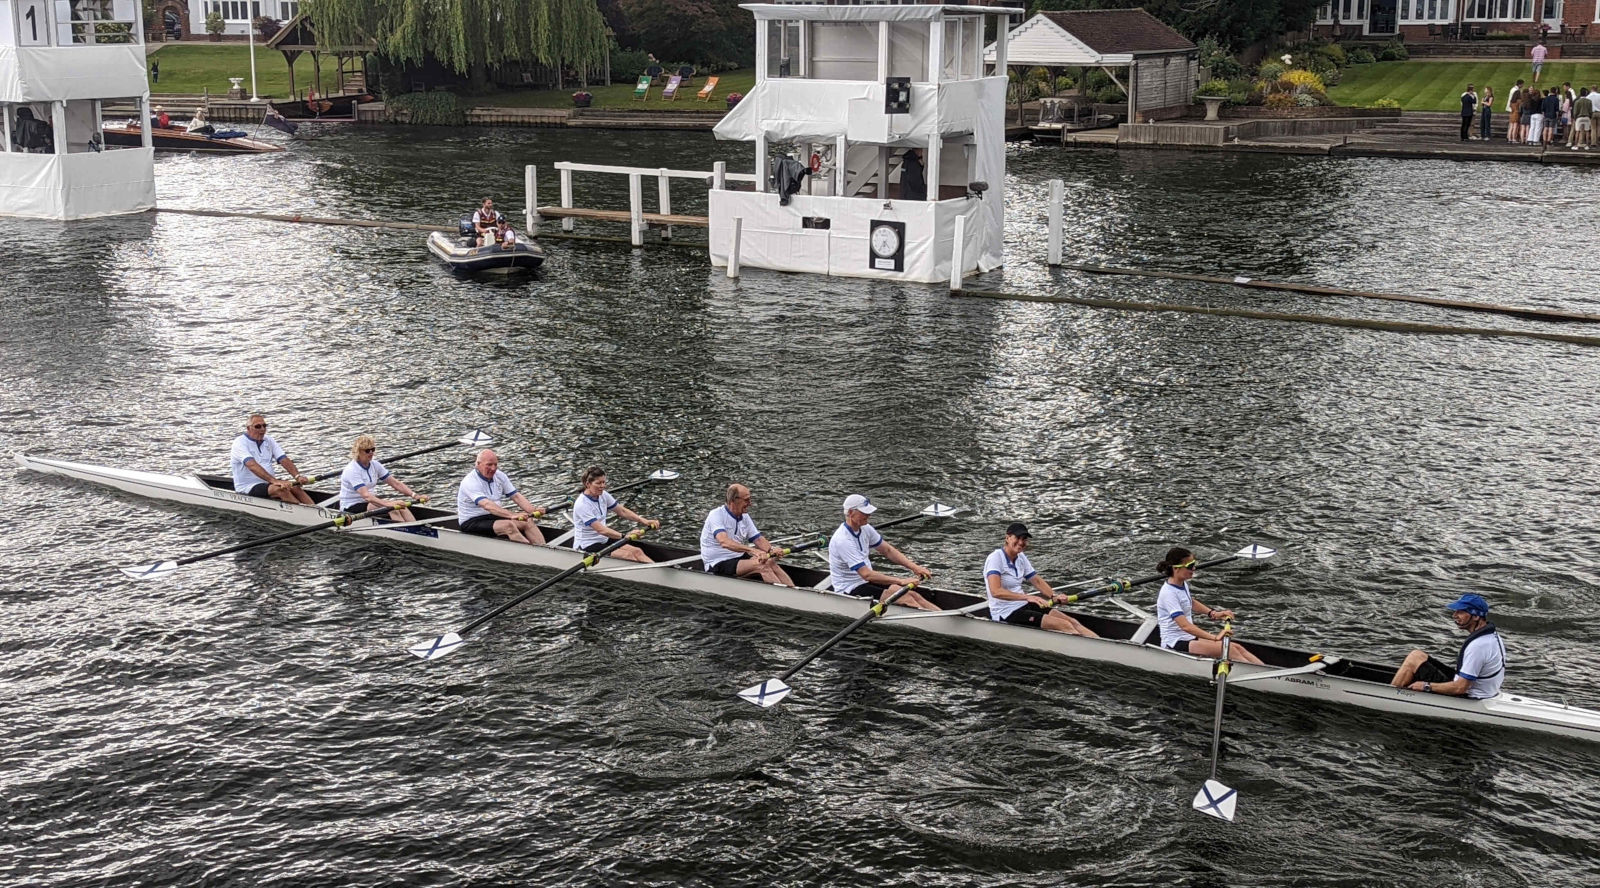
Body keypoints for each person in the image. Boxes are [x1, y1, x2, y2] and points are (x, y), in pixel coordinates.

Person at [826, 494, 940, 611]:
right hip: (849, 589)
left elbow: (888, 550)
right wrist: (901, 581)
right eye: (864, 513)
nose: (868, 515)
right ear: (850, 512)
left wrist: (915, 568)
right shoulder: (842, 540)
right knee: (906, 599)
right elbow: (866, 574)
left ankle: (945, 617)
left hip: (866, 581)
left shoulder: (865, 528)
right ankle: (937, 626)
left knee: (913, 595)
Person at [1153, 547, 1264, 665]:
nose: (1194, 569)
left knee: (1237, 647)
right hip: (1175, 643)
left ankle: (1268, 673)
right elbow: (1185, 626)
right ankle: (1264, 680)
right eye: (1190, 566)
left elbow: (1190, 602)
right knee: (1229, 650)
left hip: (1188, 637)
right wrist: (1215, 638)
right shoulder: (1168, 593)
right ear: (1176, 568)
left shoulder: (1182, 584)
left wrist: (1213, 613)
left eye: (1194, 564)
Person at [982, 523, 1097, 637]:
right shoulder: (995, 558)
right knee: (1064, 625)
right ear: (1007, 538)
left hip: (1023, 605)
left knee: (1072, 622)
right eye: (1017, 538)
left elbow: (1036, 580)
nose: (1021, 542)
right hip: (1005, 613)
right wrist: (1028, 597)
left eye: (1024, 539)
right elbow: (995, 591)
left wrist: (1053, 596)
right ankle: (1086, 650)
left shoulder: (1020, 557)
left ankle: (1103, 649)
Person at [1390, 594, 1507, 699]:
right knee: (1417, 655)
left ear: (1476, 617)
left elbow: (1460, 688)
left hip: (1470, 694)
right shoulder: (1492, 636)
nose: (1454, 615)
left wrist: (1426, 686)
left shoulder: (1478, 646)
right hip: (1483, 690)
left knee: (1412, 661)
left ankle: (1389, 696)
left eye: (1460, 612)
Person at [699, 483, 795, 587]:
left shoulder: (744, 516)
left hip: (737, 558)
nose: (750, 503)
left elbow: (758, 539)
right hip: (717, 563)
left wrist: (771, 550)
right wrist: (754, 551)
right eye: (746, 500)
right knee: (762, 566)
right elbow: (724, 542)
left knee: (770, 561)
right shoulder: (716, 515)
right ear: (733, 500)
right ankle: (783, 598)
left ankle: (794, 592)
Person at [455, 449, 546, 546]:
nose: (493, 468)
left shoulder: (499, 476)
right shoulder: (470, 481)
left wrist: (533, 511)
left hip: (491, 516)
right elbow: (487, 505)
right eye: (489, 465)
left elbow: (516, 496)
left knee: (527, 521)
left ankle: (543, 549)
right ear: (478, 464)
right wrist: (512, 515)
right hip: (471, 522)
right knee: (508, 525)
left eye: (495, 464)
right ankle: (532, 554)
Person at [572, 465, 659, 563]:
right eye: (598, 483)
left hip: (603, 540)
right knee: (627, 555)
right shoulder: (582, 504)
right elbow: (602, 530)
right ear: (588, 484)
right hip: (587, 545)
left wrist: (643, 520)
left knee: (637, 551)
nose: (602, 486)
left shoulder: (603, 495)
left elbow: (622, 511)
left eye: (604, 482)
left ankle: (658, 572)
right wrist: (625, 536)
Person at [230, 414, 314, 505]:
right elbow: (252, 465)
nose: (262, 429)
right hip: (247, 487)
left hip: (267, 484)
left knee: (295, 487)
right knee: (280, 489)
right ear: (248, 428)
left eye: (264, 426)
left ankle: (315, 509)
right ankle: (303, 514)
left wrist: (297, 476)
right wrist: (274, 481)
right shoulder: (239, 443)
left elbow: (284, 459)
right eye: (258, 426)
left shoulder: (269, 440)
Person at [338, 435, 422, 522]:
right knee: (392, 508)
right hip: (351, 506)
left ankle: (416, 529)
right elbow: (366, 496)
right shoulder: (352, 469)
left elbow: (395, 483)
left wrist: (415, 495)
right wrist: (388, 504)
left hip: (369, 502)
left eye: (373, 449)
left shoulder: (375, 465)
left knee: (401, 505)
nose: (371, 453)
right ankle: (405, 532)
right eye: (367, 450)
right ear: (358, 452)